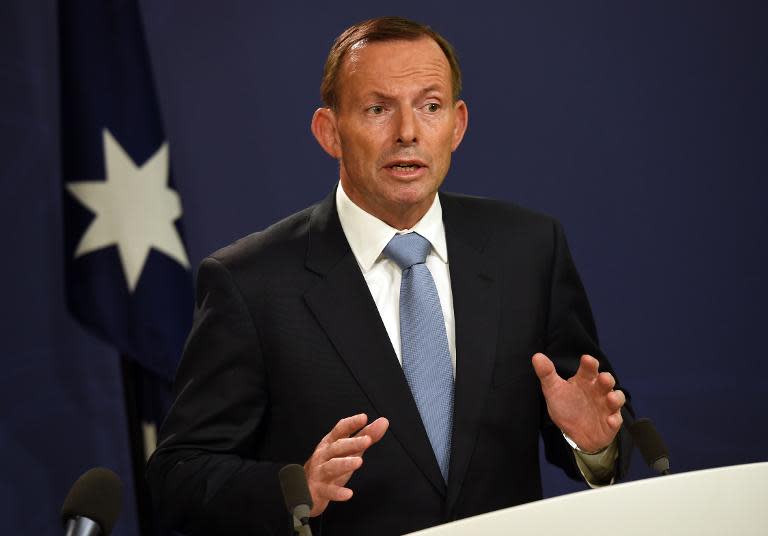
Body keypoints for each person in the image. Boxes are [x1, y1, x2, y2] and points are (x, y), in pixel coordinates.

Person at [147, 16, 633, 536]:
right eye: (378, 109)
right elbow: (178, 474)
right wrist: (294, 487)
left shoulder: (529, 250)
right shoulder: (250, 282)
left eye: (430, 107)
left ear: (457, 124)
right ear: (329, 132)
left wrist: (594, 443)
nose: (407, 132)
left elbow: (598, 429)